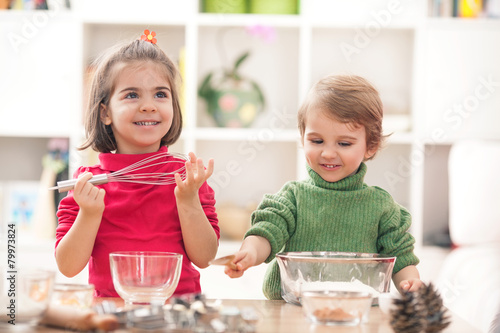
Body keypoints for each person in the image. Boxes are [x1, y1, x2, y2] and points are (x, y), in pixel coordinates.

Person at [224, 74, 422, 299]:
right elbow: (267, 232)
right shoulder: (292, 197)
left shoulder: (382, 207)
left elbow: (400, 256)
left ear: (371, 145)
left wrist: (410, 282)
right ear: (303, 138)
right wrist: (250, 251)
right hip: (291, 310)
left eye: (344, 143)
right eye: (317, 141)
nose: (328, 153)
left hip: (355, 314)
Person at [55, 30, 219, 297]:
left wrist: (188, 200)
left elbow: (205, 257)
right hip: (112, 314)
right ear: (105, 112)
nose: (148, 106)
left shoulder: (187, 179)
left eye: (160, 94)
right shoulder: (87, 183)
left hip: (178, 313)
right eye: (132, 95)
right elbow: (68, 266)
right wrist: (89, 213)